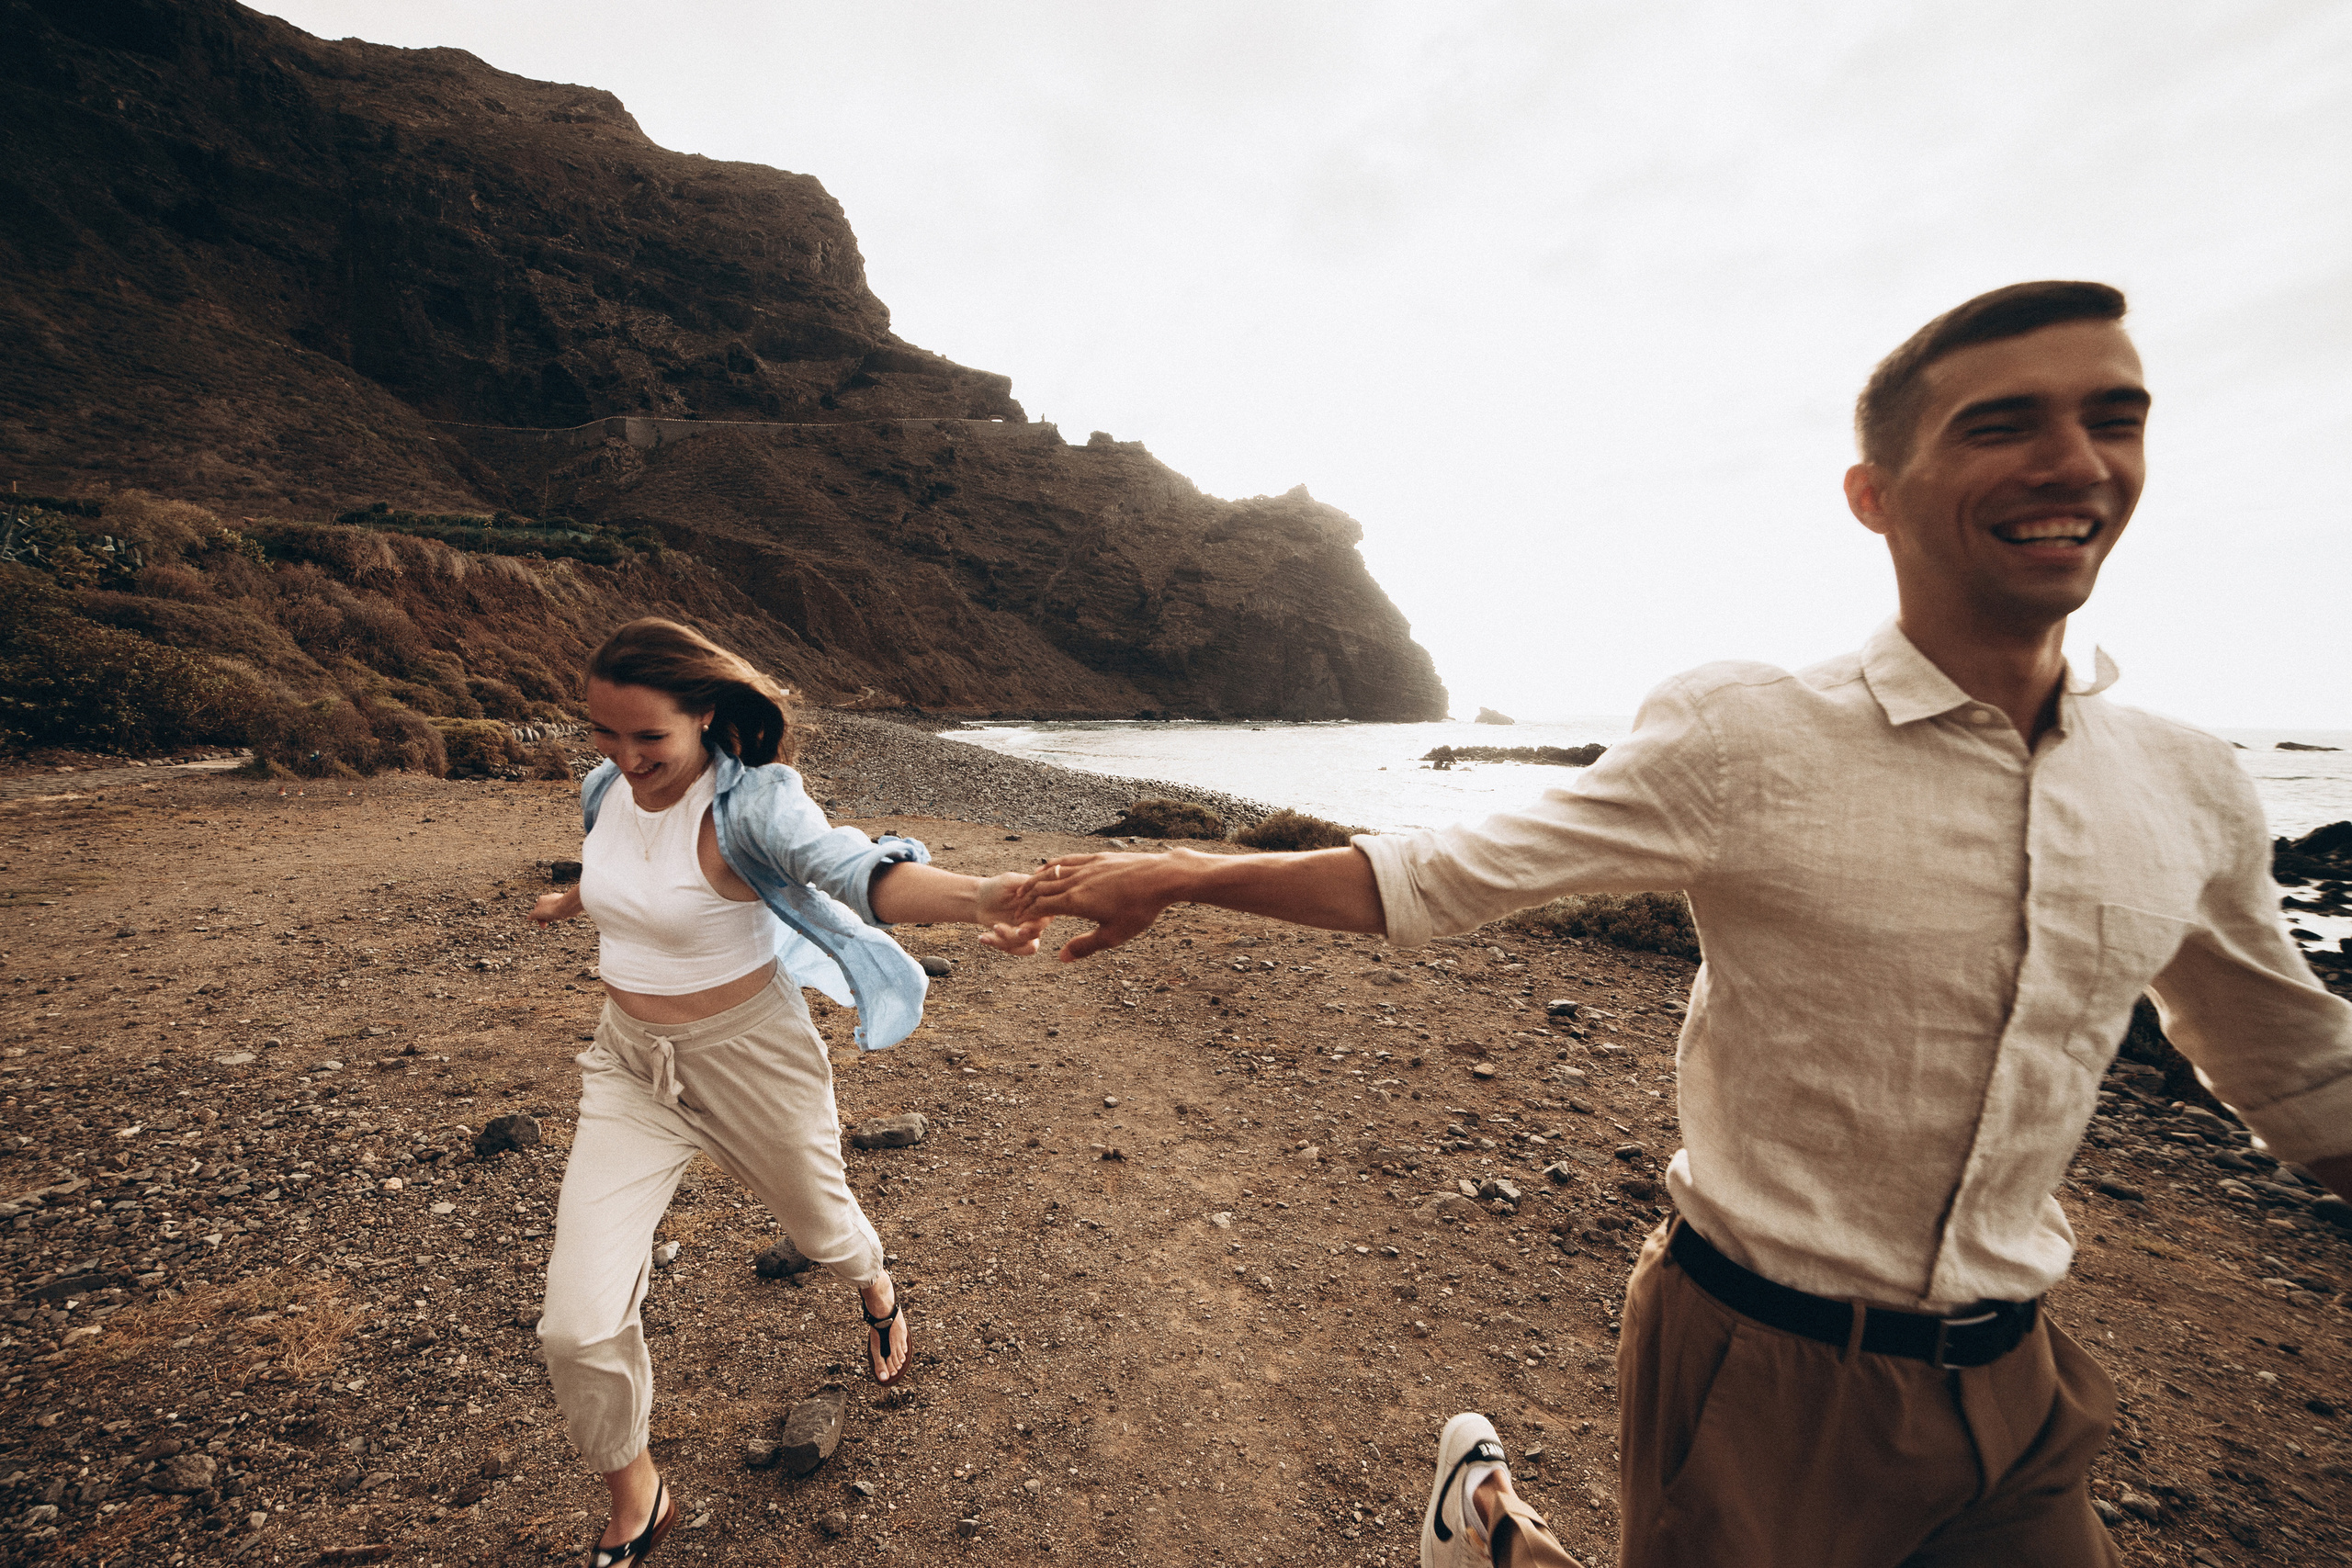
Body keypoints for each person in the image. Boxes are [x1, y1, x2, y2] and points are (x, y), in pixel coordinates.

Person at [1010, 281, 2352, 1567]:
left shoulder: (2188, 783)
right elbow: (1436, 877)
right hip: (1762, 1367)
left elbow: (2298, 1072)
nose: (2074, 460)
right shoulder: (1746, 735)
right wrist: (1180, 870)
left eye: (2114, 418)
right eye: (2001, 425)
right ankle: (1492, 1531)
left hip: (2023, 1386)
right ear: (1874, 495)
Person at [527, 617, 1044, 1567]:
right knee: (575, 1324)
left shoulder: (753, 805)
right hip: (629, 1066)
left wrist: (978, 896)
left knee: (823, 1232)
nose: (625, 758)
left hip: (751, 1060)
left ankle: (876, 1284)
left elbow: (853, 872)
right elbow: (622, 870)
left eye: (649, 737)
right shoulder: (604, 788)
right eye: (604, 732)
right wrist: (574, 898)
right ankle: (638, 1496)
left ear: (706, 716)